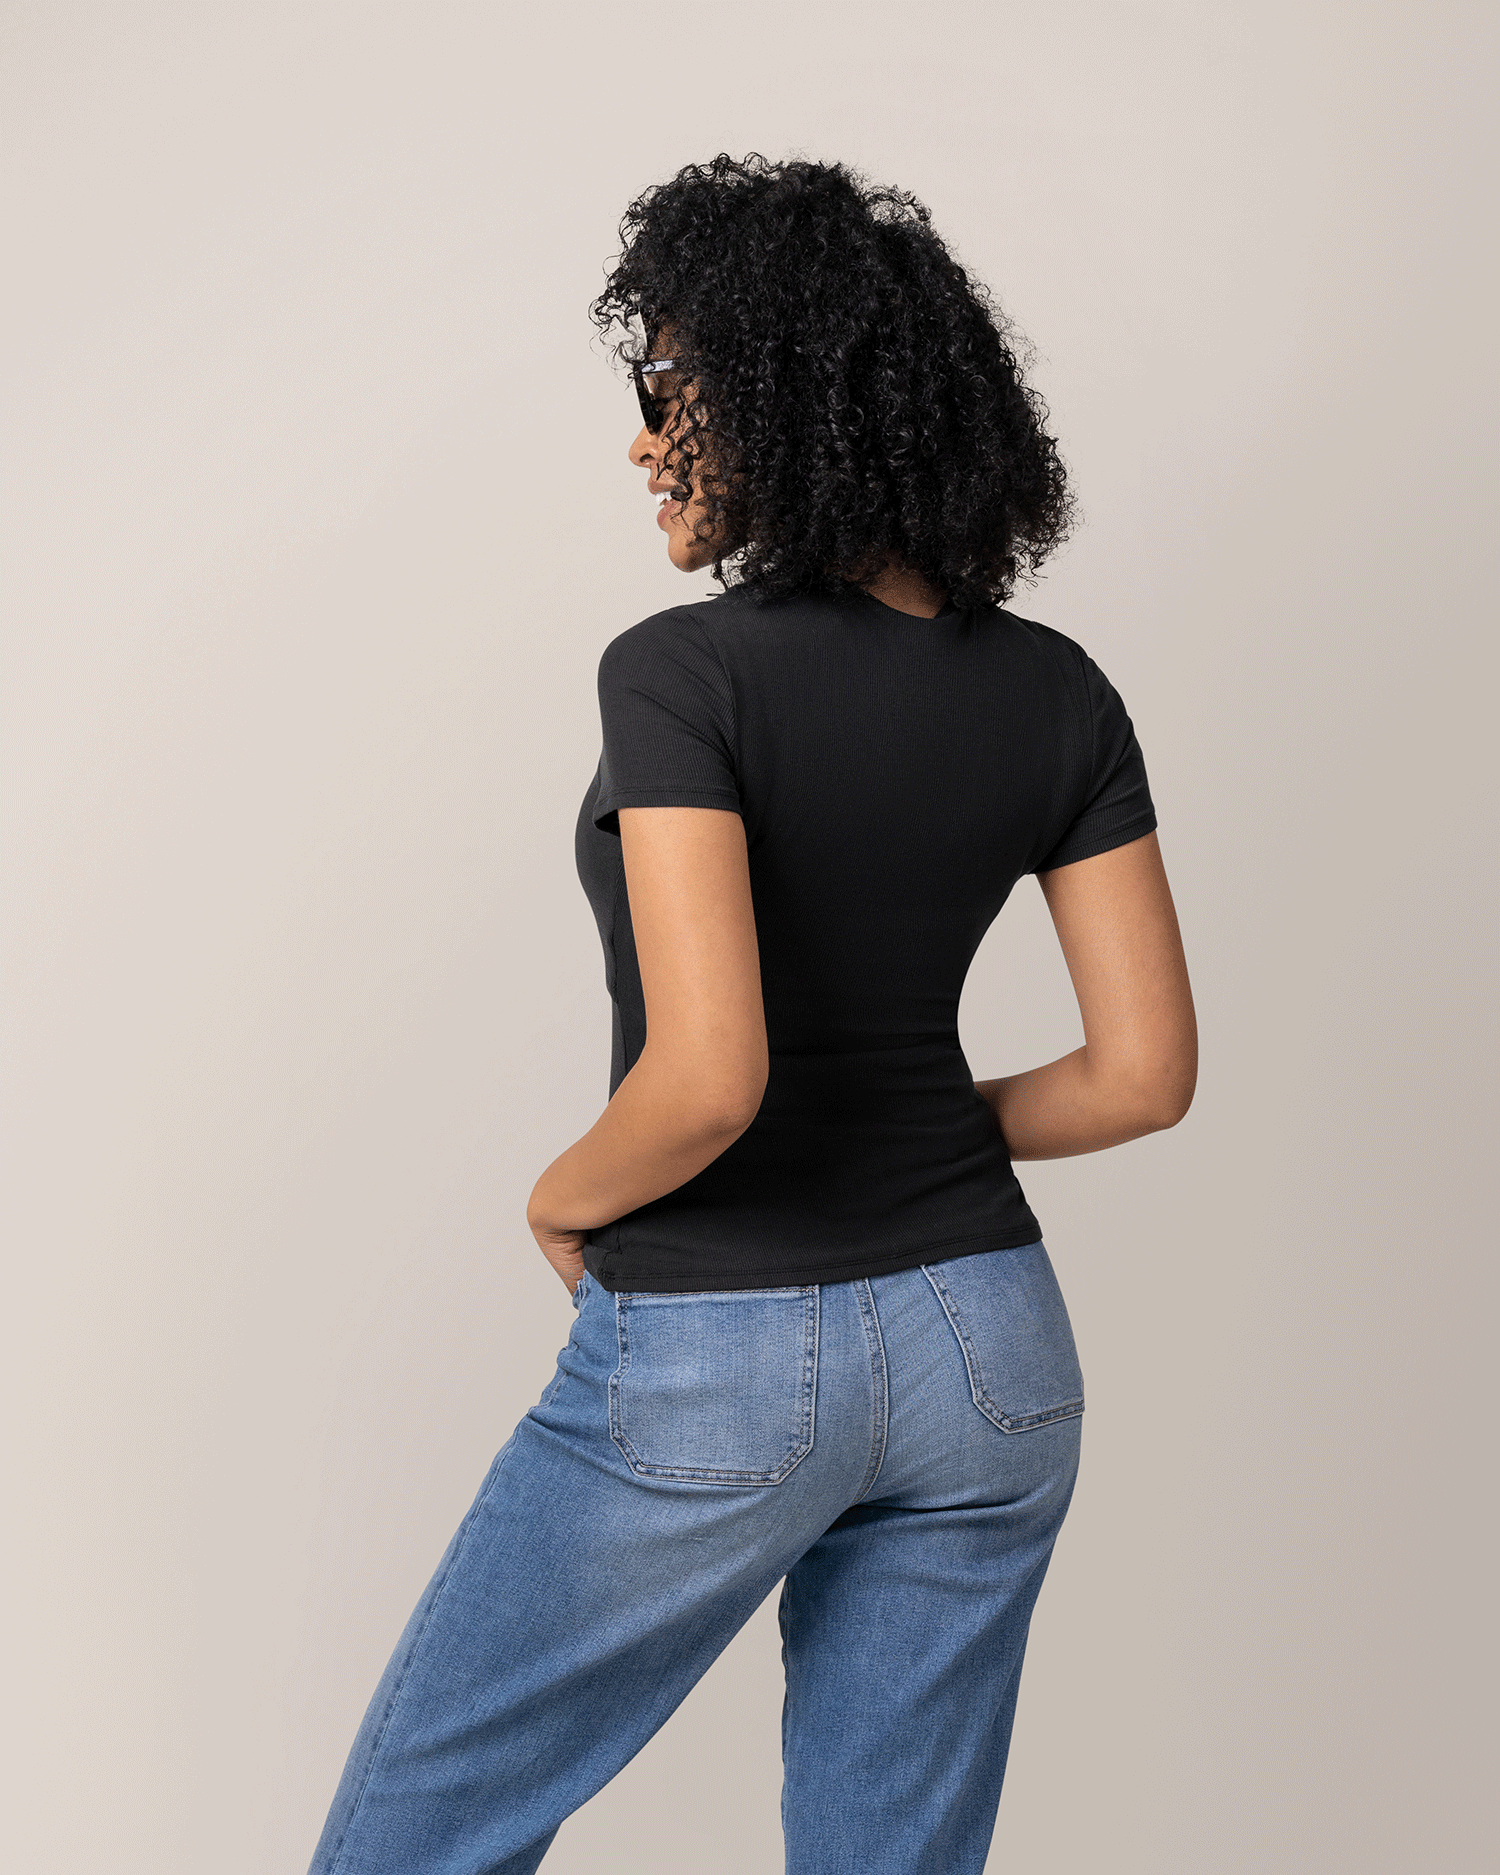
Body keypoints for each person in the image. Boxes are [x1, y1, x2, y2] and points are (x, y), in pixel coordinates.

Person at [307, 153, 1197, 1875]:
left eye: (667, 390)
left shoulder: (682, 672)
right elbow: (1146, 1074)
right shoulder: (1058, 690)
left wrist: (563, 1192)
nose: (642, 439)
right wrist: (924, 1113)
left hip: (722, 1348)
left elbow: (710, 1079)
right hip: (993, 1356)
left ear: (784, 400)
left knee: (409, 1843)